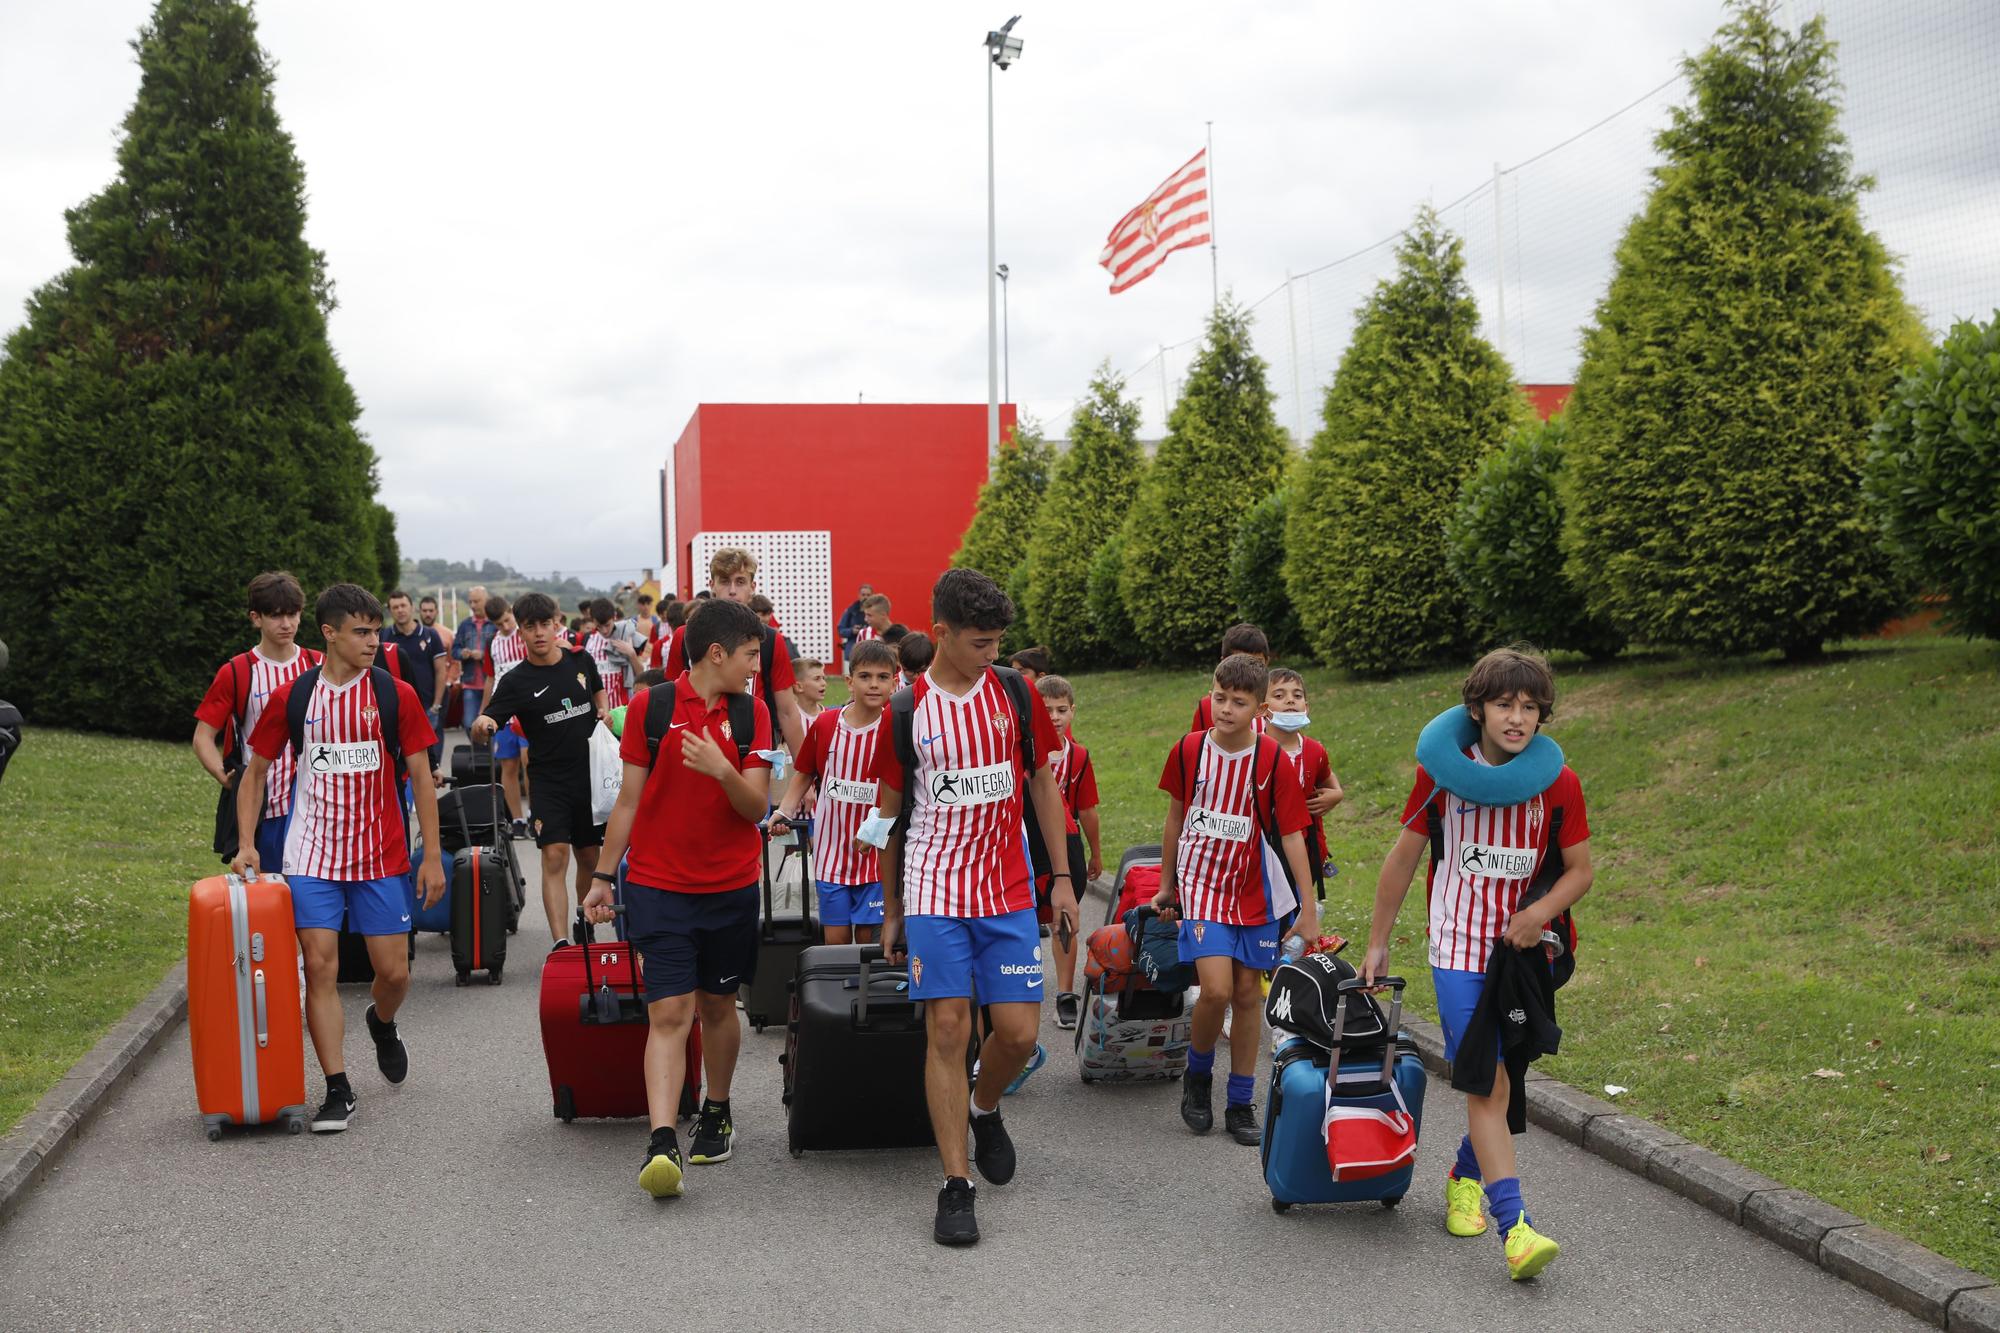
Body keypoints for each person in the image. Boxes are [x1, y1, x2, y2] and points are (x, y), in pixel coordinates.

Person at [1362, 646, 1593, 1282]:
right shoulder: (1440, 777)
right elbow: (1403, 859)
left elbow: (1580, 872)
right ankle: (1515, 1230)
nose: (1517, 718)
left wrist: (1539, 912)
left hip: (1525, 956)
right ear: (1477, 711)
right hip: (1459, 951)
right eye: (1503, 705)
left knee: (1507, 1076)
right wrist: (1378, 942)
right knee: (1487, 1082)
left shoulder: (1560, 784)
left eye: (1529, 707)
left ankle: (1465, 1174)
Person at [877, 568, 1077, 1247]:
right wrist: (892, 906)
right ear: (941, 634)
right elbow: (887, 816)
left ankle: (983, 1106)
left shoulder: (1016, 696)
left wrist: (1062, 877)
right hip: (934, 889)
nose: (995, 654)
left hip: (1009, 889)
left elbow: (1045, 787)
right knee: (947, 1029)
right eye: (981, 642)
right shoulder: (905, 711)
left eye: (999, 642)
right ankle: (955, 1183)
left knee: (1020, 1033)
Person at [230, 584, 444, 1134]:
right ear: (328, 633)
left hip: (380, 856)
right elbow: (255, 774)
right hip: (312, 856)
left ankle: (382, 1021)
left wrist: (433, 856)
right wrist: (247, 842)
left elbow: (421, 776)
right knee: (320, 969)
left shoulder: (395, 695)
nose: (374, 641)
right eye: (362, 632)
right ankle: (337, 1088)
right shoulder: (296, 697)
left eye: (377, 631)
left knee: (392, 973)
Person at [585, 598, 774, 1198]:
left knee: (718, 1008)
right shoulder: (651, 706)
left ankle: (716, 1110)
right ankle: (662, 1139)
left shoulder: (753, 716)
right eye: (750, 655)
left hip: (731, 887)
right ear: (717, 652)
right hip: (660, 888)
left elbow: (757, 809)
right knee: (669, 1012)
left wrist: (723, 769)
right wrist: (603, 877)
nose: (755, 667)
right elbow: (629, 801)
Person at [1152, 653, 1316, 1147]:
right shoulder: (1188, 751)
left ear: (1259, 709)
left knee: (1248, 996)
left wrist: (1307, 908)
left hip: (1255, 890)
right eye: (1219, 697)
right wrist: (1166, 883)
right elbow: (1176, 820)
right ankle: (1198, 1076)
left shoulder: (1272, 761)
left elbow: (1292, 837)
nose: (1224, 709)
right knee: (1217, 990)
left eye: (1237, 702)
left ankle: (1240, 1099)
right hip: (1201, 885)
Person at [474, 592, 608, 947]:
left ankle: (584, 923)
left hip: (590, 777)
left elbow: (598, 693)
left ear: (556, 624)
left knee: (588, 856)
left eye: (544, 625)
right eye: (530, 627)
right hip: (548, 781)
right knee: (554, 854)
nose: (538, 633)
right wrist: (483, 722)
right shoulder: (516, 681)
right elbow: (491, 715)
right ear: (520, 633)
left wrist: (604, 710)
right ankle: (561, 942)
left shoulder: (581, 661)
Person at [193, 571, 323, 870]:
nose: (286, 624)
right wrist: (225, 778)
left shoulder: (319, 664)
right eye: (276, 616)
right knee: (271, 901)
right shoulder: (238, 671)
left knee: (313, 903)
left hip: (317, 808)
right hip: (267, 810)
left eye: (293, 614)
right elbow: (203, 736)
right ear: (256, 618)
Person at [770, 639, 896, 945]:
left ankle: (861, 994)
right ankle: (836, 992)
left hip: (876, 858)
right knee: (835, 943)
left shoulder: (897, 727)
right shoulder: (827, 724)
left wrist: (878, 825)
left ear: (894, 681)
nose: (874, 685)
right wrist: (784, 810)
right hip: (831, 857)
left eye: (882, 677)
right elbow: (805, 773)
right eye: (865, 677)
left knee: (868, 943)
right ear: (850, 682)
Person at [651, 548, 807, 755]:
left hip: (749, 747)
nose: (732, 590)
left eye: (740, 582)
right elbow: (671, 700)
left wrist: (806, 778)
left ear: (753, 587)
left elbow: (787, 711)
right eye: (724, 581)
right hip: (695, 744)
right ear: (712, 585)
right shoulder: (684, 636)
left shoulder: (770, 640)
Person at [1034, 674, 1102, 1029]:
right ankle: (1019, 986)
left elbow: (1087, 809)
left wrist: (1096, 853)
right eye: (1047, 711)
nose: (1055, 717)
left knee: (1065, 919)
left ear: (1072, 711)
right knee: (1026, 918)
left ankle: (1064, 993)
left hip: (1069, 841)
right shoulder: (1025, 752)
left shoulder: (1079, 757)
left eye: (1062, 710)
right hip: (1030, 842)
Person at [1263, 668, 1343, 901]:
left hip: (1306, 848)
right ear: (1262, 707)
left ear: (1306, 707)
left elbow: (1329, 780)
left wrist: (1336, 795)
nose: (1290, 700)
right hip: (1265, 848)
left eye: (1297, 696)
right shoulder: (1255, 749)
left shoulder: (1314, 751)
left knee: (1298, 905)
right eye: (1279, 696)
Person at [384, 590, 450, 772]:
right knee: (403, 766)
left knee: (430, 766)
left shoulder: (430, 635)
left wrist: (436, 705)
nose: (400, 610)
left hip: (428, 706)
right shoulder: (385, 636)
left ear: (412, 608)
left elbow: (440, 671)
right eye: (395, 607)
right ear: (390, 611)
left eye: (403, 605)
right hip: (397, 708)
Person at [482, 596, 531, 834]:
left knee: (529, 762)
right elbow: (490, 679)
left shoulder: (524, 635)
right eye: (499, 624)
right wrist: (484, 712)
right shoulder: (493, 642)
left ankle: (536, 815)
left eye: (507, 620)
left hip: (528, 711)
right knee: (508, 767)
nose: (506, 627)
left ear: (512, 612)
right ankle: (518, 820)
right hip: (504, 714)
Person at [1189, 623, 1271, 733]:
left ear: (1266, 663)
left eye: (1256, 663)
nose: (1247, 671)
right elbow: (1198, 745)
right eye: (1237, 663)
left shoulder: (1277, 705)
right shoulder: (1207, 706)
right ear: (1223, 662)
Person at [452, 585, 495, 731]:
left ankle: (490, 753)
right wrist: (462, 653)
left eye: (476, 601)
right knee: (469, 722)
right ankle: (479, 752)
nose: (472, 605)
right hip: (470, 683)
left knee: (491, 723)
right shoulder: (465, 624)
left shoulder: (495, 624)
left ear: (486, 601)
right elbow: (454, 650)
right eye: (470, 602)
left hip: (491, 683)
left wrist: (484, 655)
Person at [584, 596, 634, 710]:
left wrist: (631, 654)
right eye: (599, 626)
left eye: (607, 625)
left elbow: (640, 673)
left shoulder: (626, 636)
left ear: (614, 616)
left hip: (623, 708)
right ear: (593, 621)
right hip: (599, 711)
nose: (604, 630)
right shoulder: (588, 640)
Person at [837, 581, 874, 662]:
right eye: (863, 595)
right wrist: (852, 630)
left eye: (868, 595)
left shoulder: (877, 611)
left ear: (872, 596)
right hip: (854, 641)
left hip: (873, 642)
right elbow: (841, 631)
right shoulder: (850, 611)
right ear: (859, 595)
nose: (865, 597)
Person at [791, 656, 828, 729]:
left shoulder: (831, 717)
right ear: (799, 687)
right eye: (817, 679)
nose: (824, 683)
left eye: (823, 678)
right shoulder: (788, 718)